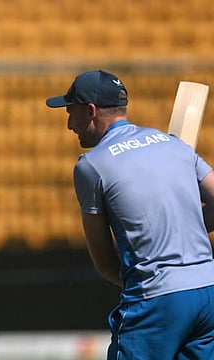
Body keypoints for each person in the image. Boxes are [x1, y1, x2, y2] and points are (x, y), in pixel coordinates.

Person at [46, 70, 214, 359]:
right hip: (208, 291)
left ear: (91, 111)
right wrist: (189, 226)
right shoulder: (174, 145)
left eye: (71, 113)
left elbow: (103, 260)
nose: (69, 125)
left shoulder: (91, 165)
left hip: (155, 297)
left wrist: (153, 285)